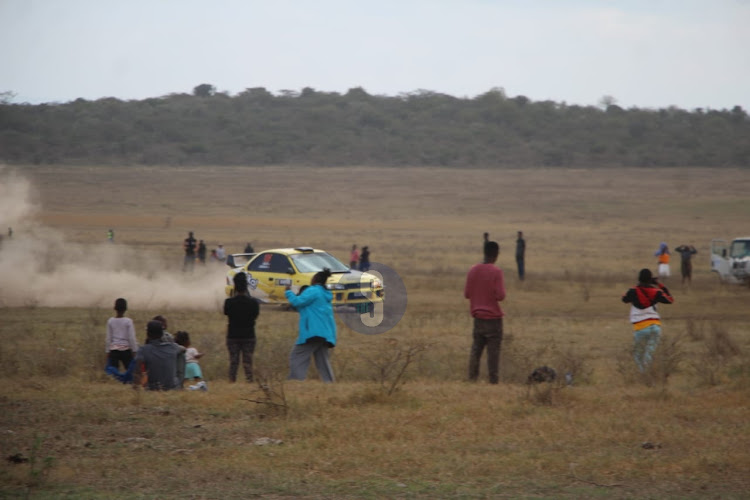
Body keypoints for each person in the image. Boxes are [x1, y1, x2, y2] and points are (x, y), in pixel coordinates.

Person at [464, 241, 506, 384]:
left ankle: (472, 378)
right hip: (493, 318)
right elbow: (501, 296)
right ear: (496, 254)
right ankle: (493, 381)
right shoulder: (496, 272)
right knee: (493, 353)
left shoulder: (473, 270)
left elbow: (467, 293)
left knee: (476, 350)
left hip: (478, 317)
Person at [284, 270, 337, 382]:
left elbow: (298, 302)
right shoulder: (325, 294)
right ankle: (330, 383)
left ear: (315, 280)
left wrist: (288, 292)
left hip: (312, 332)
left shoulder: (313, 290)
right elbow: (304, 307)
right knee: (323, 362)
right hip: (326, 333)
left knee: (297, 356)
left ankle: (296, 381)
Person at [621, 268, 674, 372]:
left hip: (640, 328)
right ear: (651, 279)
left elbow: (624, 298)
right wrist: (658, 284)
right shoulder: (656, 292)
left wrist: (637, 286)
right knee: (649, 353)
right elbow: (670, 299)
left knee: (638, 354)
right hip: (655, 326)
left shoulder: (633, 291)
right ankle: (649, 372)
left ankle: (644, 374)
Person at [223, 272, 260, 382]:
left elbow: (226, 312)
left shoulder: (229, 302)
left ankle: (232, 381)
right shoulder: (253, 303)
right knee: (248, 362)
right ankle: (249, 381)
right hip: (249, 335)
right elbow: (255, 315)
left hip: (233, 335)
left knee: (233, 362)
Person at [133, 320, 184, 391]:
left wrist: (135, 387)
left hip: (153, 388)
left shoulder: (143, 350)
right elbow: (183, 349)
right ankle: (181, 385)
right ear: (162, 334)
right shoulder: (172, 347)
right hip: (173, 387)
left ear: (148, 334)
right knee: (181, 356)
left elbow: (137, 371)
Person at [105, 298, 138, 372]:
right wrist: (134, 350)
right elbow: (131, 338)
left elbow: (108, 339)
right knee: (130, 372)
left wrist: (107, 351)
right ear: (125, 309)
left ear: (115, 308)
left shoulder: (110, 321)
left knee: (114, 373)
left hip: (114, 350)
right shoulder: (128, 321)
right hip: (126, 350)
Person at [152, 315, 185, 387]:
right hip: (167, 359)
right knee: (181, 356)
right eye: (165, 322)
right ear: (162, 325)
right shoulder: (166, 335)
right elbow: (172, 348)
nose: (167, 324)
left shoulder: (150, 337)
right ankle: (180, 384)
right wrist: (183, 348)